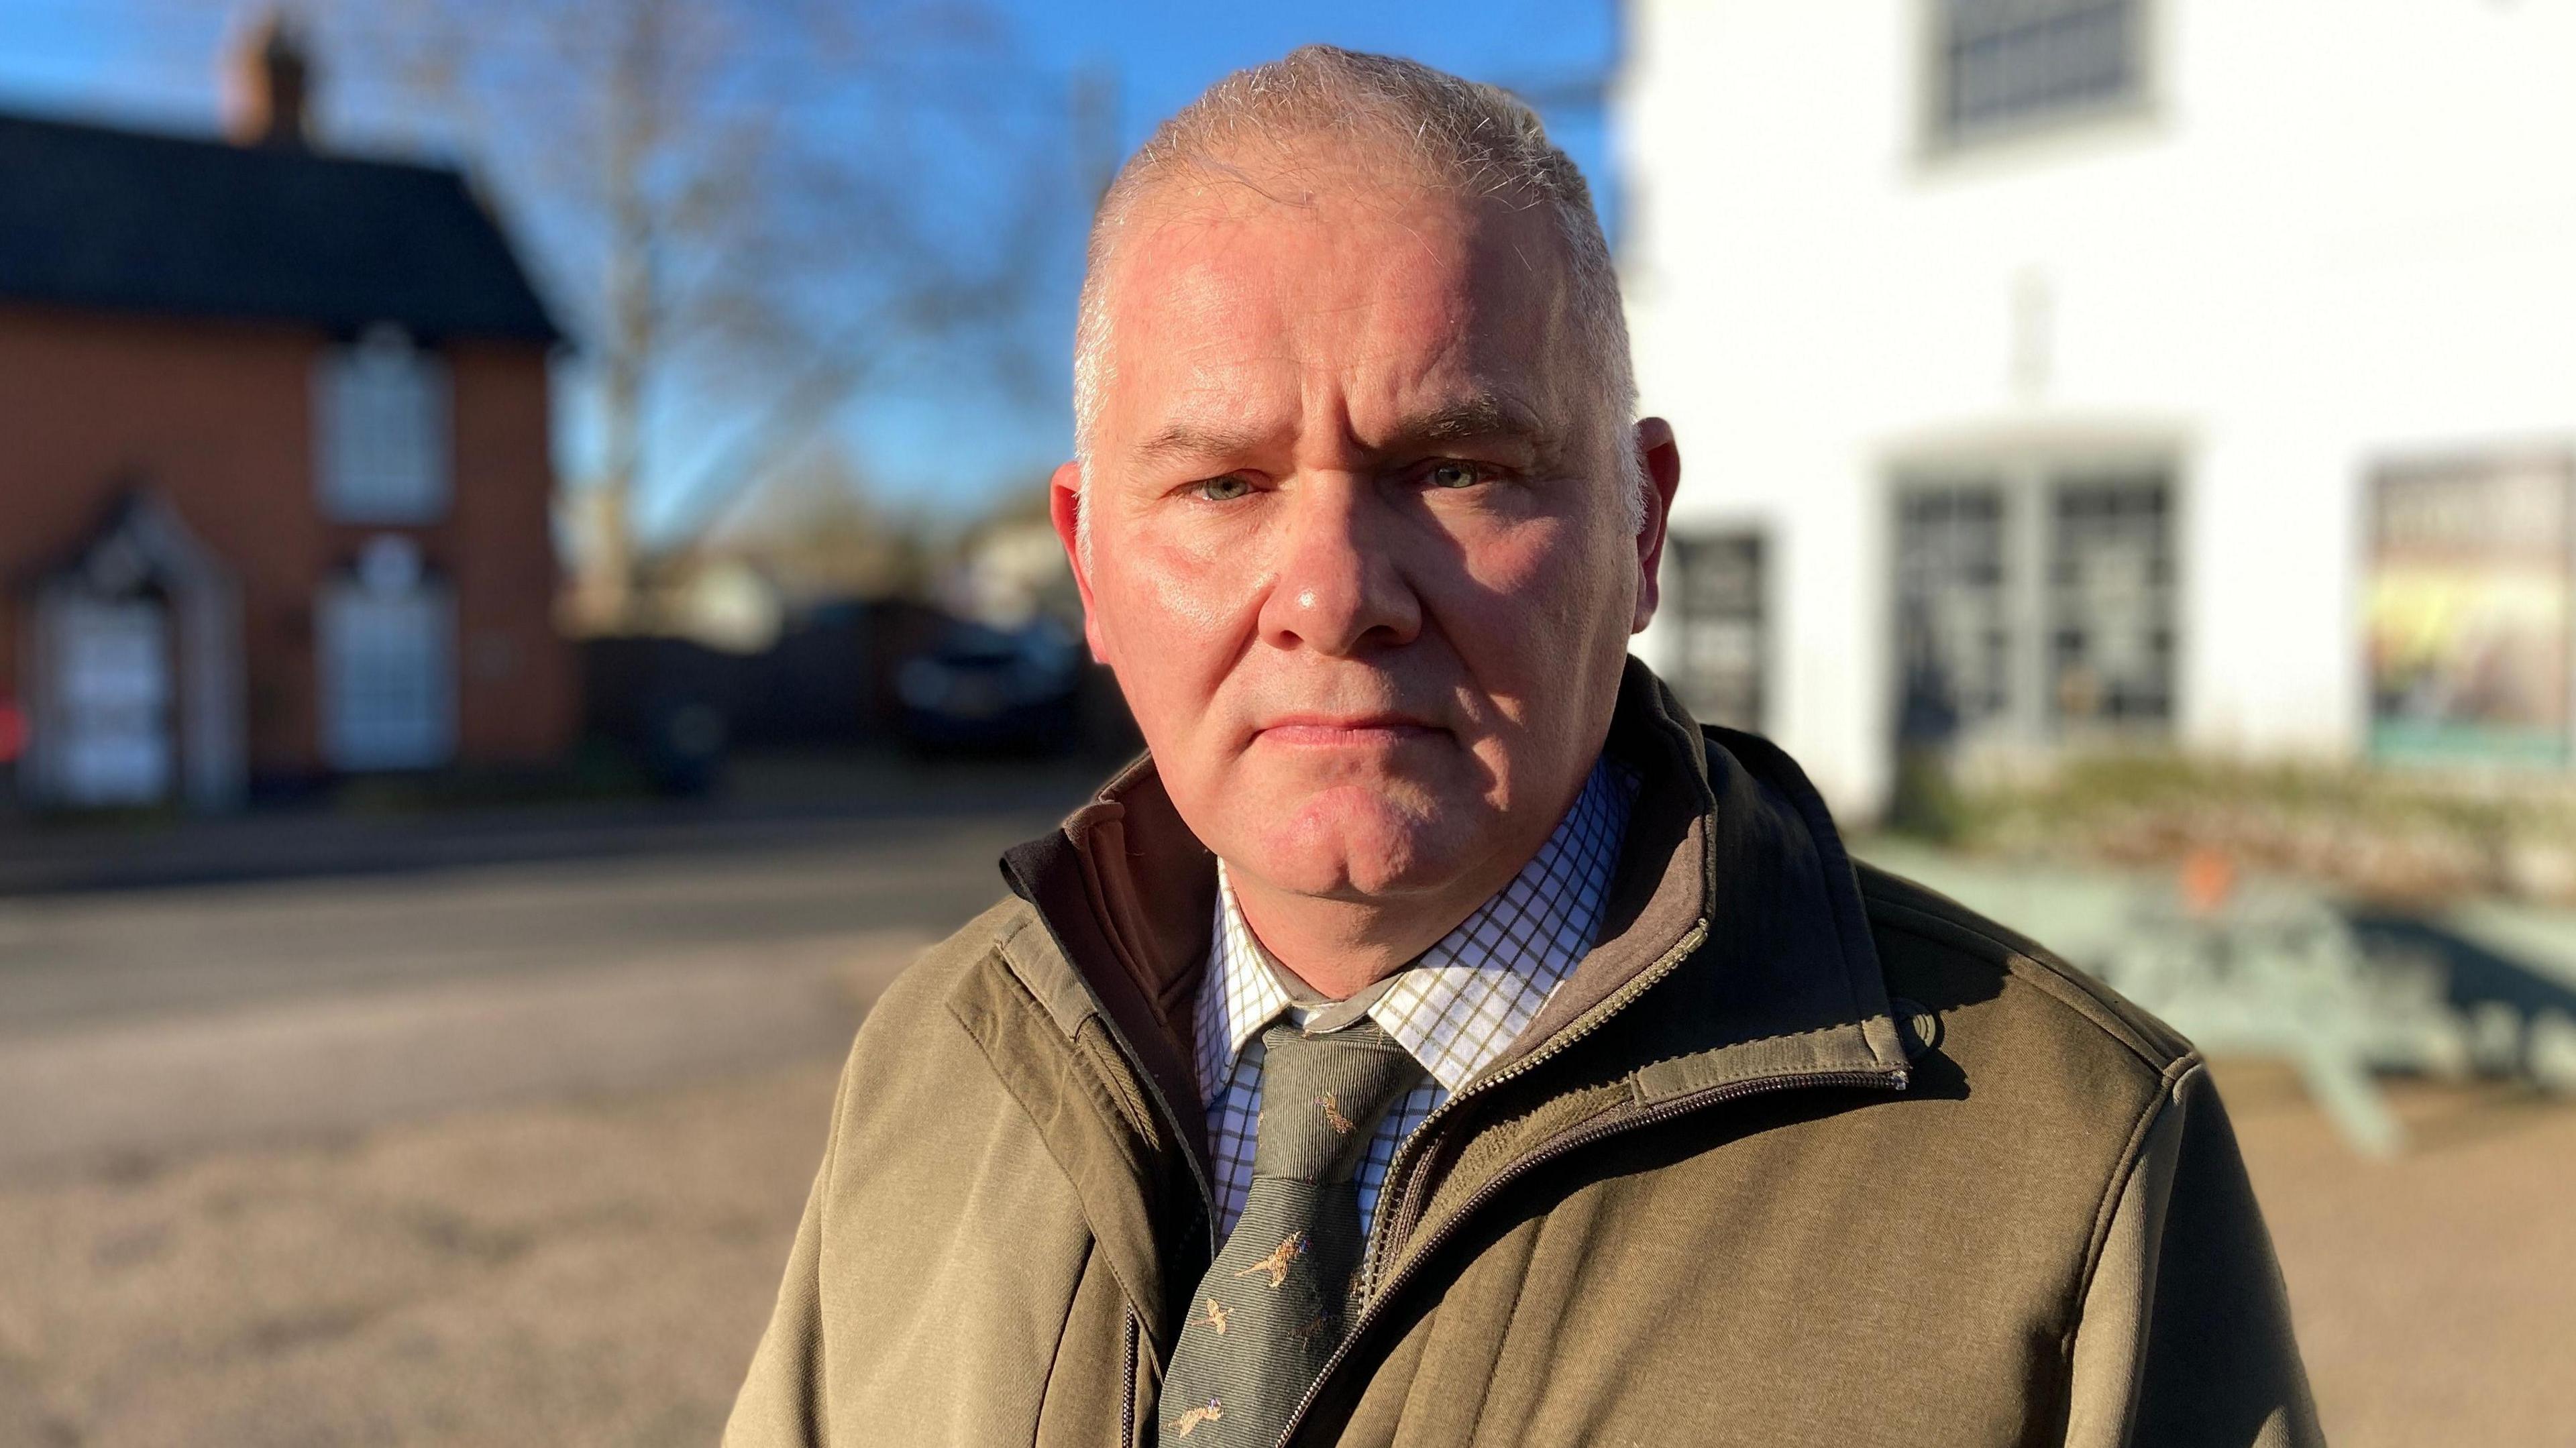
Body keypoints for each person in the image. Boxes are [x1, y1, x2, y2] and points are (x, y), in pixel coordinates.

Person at [725, 46, 2318, 1448]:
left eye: (1460, 465)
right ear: (1088, 566)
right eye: (1221, 486)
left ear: (1641, 526)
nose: (1334, 598)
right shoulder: (940, 1068)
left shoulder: (2069, 1166)